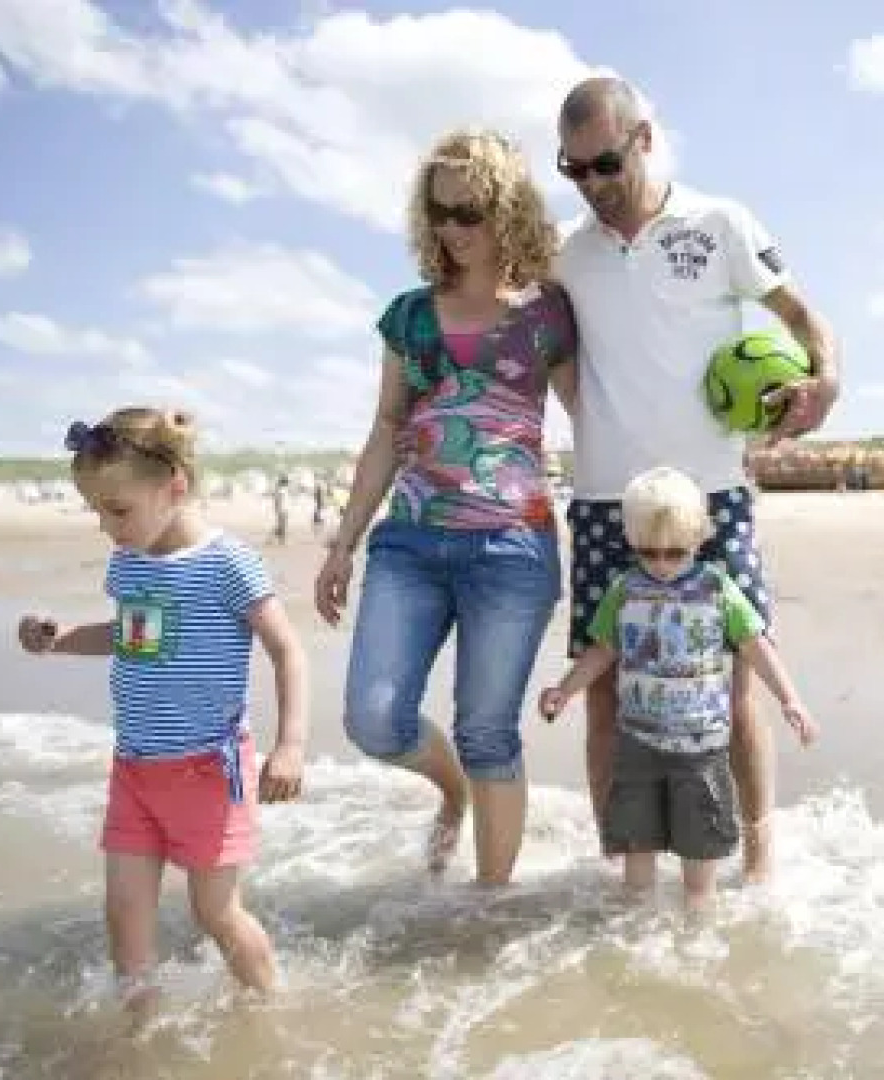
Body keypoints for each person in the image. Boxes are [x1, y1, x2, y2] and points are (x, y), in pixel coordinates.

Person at [553, 76, 839, 883]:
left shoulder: (721, 223)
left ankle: (758, 861)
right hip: (608, 500)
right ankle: (623, 876)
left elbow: (801, 316)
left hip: (713, 498)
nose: (592, 186)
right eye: (573, 171)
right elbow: (538, 338)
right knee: (606, 691)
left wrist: (827, 381)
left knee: (736, 680)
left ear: (644, 138)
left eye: (604, 163)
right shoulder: (567, 254)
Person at [313, 129, 577, 886]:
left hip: (513, 551)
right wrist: (342, 544)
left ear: (508, 210)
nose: (454, 230)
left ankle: (489, 904)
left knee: (489, 731)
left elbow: (590, 408)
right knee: (372, 718)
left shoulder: (546, 314)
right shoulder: (409, 316)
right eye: (440, 214)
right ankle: (451, 790)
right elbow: (387, 427)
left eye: (471, 212)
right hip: (410, 546)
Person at [16, 407, 308, 1009]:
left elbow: (287, 649)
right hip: (135, 770)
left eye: (117, 510)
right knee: (123, 912)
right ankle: (140, 1037)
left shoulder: (227, 563)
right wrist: (63, 637)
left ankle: (274, 1008)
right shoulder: (130, 561)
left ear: (174, 486)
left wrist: (290, 744)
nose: (107, 527)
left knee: (216, 914)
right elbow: (132, 636)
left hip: (208, 770)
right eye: (97, 511)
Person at [539, 467, 816, 907]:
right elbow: (603, 650)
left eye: (675, 552)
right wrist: (565, 689)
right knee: (636, 866)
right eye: (649, 553)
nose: (662, 565)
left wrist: (790, 700)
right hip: (638, 746)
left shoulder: (717, 589)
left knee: (699, 871)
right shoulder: (624, 590)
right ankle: (634, 939)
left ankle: (696, 942)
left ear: (700, 537)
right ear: (630, 540)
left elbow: (754, 646)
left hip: (702, 751)